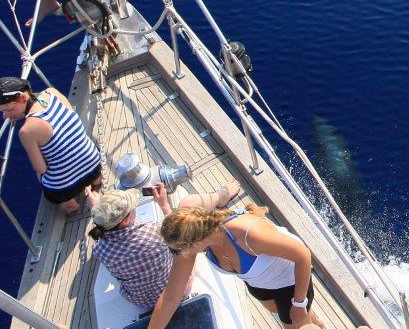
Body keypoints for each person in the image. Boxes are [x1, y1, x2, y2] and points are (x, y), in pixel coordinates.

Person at [152, 204, 322, 329]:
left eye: (176, 249)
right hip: (259, 285)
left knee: (298, 323)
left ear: (195, 242)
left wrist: (299, 303)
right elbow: (170, 297)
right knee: (299, 317)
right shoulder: (195, 243)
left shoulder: (247, 234)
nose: (176, 253)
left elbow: (303, 255)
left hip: (290, 284)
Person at [89, 178, 242, 311]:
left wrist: (101, 211)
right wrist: (164, 204)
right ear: (125, 220)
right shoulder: (155, 231)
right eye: (132, 207)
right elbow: (177, 230)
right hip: (179, 290)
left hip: (141, 302)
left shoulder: (100, 250)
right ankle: (222, 196)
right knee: (186, 207)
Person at [0, 76, 102, 213]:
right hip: (94, 164)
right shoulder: (52, 93)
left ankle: (71, 205)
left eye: (9, 110)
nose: (5, 116)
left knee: (42, 177)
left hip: (65, 188)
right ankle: (97, 181)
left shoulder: (26, 131)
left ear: (22, 98)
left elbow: (41, 168)